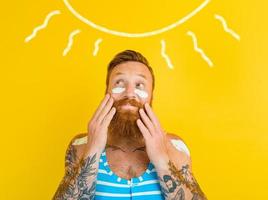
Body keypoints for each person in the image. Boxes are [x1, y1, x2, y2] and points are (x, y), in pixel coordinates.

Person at [53, 50, 207, 200]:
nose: (129, 93)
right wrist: (93, 150)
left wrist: (161, 159)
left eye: (139, 85)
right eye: (119, 83)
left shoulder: (174, 146)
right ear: (106, 92)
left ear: (151, 97)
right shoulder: (81, 146)